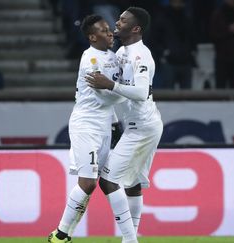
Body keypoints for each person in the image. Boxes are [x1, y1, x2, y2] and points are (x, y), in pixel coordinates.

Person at [86, 7, 163, 243]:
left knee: (108, 181)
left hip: (143, 127)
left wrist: (109, 85)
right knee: (133, 184)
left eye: (122, 20)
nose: (116, 23)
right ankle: (130, 239)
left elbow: (140, 93)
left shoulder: (141, 55)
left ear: (136, 28)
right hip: (136, 126)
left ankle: (130, 240)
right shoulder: (121, 52)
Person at [48, 14, 124, 243]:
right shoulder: (89, 59)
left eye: (109, 29)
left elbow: (110, 96)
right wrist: (133, 91)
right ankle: (60, 233)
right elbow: (104, 94)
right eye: (103, 30)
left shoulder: (113, 57)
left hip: (104, 125)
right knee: (89, 181)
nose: (110, 33)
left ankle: (131, 236)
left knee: (109, 181)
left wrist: (114, 123)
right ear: (92, 37)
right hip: (86, 124)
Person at [149, 0, 196, 89]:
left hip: (186, 60)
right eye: (175, 1)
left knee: (188, 95)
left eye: (180, 1)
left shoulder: (187, 17)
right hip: (169, 61)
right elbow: (154, 40)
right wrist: (164, 52)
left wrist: (191, 51)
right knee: (168, 93)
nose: (178, 3)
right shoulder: (162, 18)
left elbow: (192, 37)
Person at [209, 0, 234, 89]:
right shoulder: (217, 15)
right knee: (220, 87)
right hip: (222, 57)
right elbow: (212, 35)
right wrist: (228, 30)